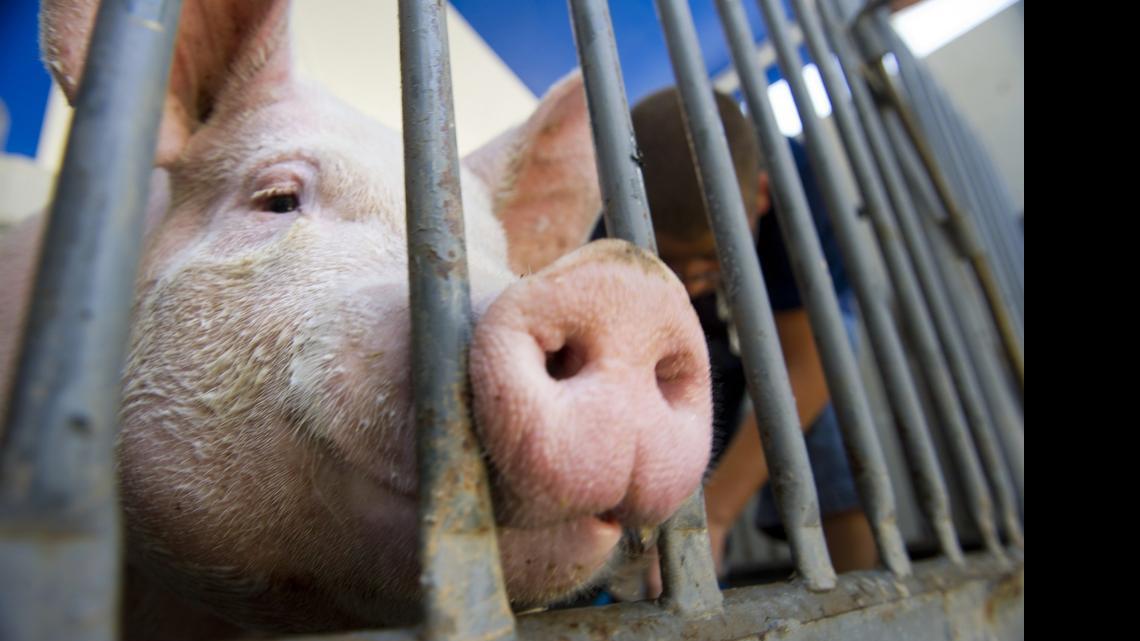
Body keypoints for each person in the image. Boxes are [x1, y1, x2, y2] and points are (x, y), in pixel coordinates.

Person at [621, 86, 878, 581]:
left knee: (829, 405)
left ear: (760, 196)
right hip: (710, 329)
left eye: (708, 258)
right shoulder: (612, 209)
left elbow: (812, 365)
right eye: (669, 259)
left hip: (798, 316)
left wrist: (715, 514)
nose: (689, 279)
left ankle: (855, 591)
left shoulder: (791, 180)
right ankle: (672, 579)